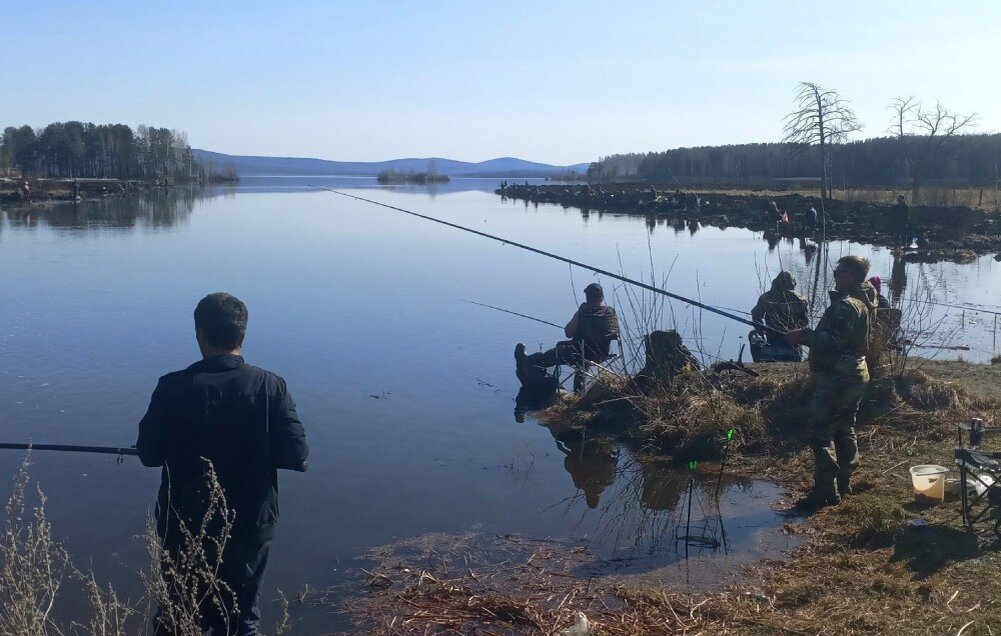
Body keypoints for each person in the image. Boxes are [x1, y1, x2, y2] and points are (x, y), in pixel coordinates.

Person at [137, 293, 308, 635]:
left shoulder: (171, 388)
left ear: (200, 333)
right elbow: (297, 454)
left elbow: (149, 455)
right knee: (241, 616)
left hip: (184, 524)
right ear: (241, 334)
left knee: (177, 612)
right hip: (249, 525)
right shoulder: (270, 387)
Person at [786, 256, 876, 507]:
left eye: (839, 271)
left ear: (851, 275)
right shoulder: (864, 299)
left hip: (839, 377)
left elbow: (831, 343)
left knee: (821, 432)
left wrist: (801, 335)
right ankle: (844, 483)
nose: (835, 275)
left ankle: (826, 492)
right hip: (856, 374)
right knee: (844, 428)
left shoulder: (846, 305)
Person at [515, 283, 619, 390]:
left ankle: (526, 362)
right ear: (602, 297)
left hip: (579, 354)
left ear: (587, 297)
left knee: (547, 356)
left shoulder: (584, 312)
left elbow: (568, 333)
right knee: (577, 352)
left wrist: (579, 312)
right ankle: (577, 391)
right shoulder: (610, 312)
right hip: (602, 354)